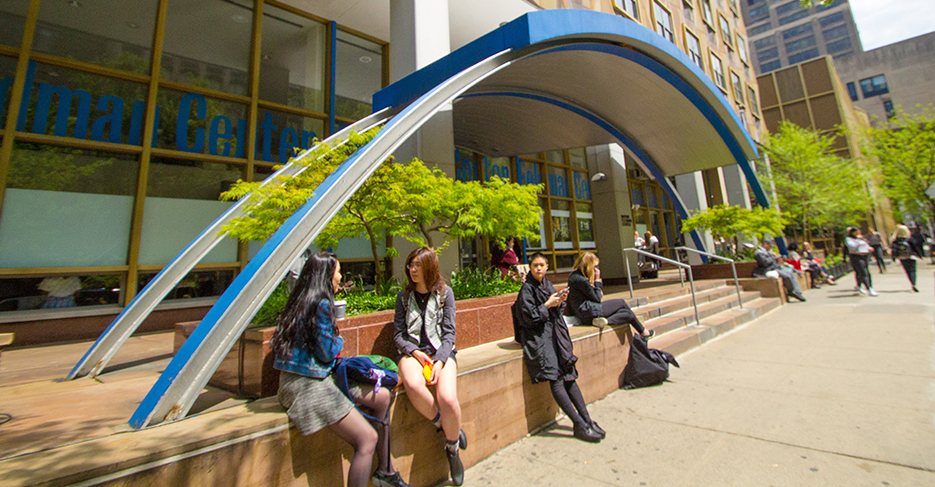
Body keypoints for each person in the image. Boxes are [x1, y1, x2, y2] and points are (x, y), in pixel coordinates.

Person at [272, 252, 411, 487]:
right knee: (366, 439)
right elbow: (327, 351)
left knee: (382, 397)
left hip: (303, 380)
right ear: (326, 275)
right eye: (337, 271)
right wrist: (340, 339)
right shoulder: (322, 304)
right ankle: (382, 471)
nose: (340, 276)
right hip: (308, 386)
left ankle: (385, 472)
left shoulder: (298, 301)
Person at [393, 247, 466, 486]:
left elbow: (449, 334)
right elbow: (399, 335)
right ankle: (446, 427)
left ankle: (452, 449)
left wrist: (440, 360)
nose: (412, 270)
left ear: (429, 267)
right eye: (410, 265)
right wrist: (415, 352)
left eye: (417, 265)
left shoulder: (445, 294)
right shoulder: (404, 297)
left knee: (447, 397)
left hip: (441, 353)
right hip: (413, 353)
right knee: (413, 383)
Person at [515, 252, 604, 443]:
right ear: (530, 268)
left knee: (569, 376)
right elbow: (528, 317)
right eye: (535, 265)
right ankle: (578, 424)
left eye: (542, 265)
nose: (538, 268)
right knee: (555, 379)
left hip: (556, 334)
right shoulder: (527, 290)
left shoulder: (547, 284)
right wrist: (547, 305)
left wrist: (559, 302)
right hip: (540, 338)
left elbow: (555, 310)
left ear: (547, 267)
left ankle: (587, 420)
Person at [566, 252, 654, 339]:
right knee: (621, 303)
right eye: (595, 266)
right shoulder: (581, 280)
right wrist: (597, 282)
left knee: (627, 314)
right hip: (587, 311)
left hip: (585, 311)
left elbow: (591, 295)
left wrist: (596, 290)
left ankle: (605, 322)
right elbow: (597, 298)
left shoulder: (574, 276)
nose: (596, 269)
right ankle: (644, 332)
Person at [845, 227, 877, 296]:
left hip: (865, 256)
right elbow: (852, 247)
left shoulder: (861, 238)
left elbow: (866, 245)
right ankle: (869, 289)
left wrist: (869, 248)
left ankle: (861, 286)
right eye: (856, 232)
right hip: (856, 257)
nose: (858, 233)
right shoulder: (849, 239)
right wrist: (858, 241)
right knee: (863, 272)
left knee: (865, 272)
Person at [891, 224, 920, 293]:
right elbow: (915, 248)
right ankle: (914, 283)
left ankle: (911, 281)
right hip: (911, 256)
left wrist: (894, 258)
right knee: (913, 270)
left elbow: (894, 249)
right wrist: (919, 255)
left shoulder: (896, 240)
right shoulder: (909, 239)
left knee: (907, 270)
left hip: (902, 257)